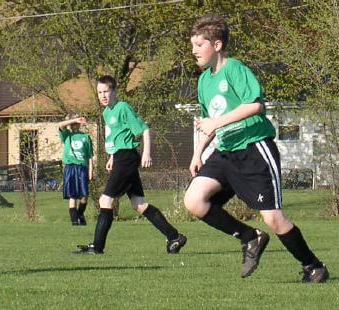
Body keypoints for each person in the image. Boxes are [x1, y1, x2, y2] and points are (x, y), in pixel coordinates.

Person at [184, 14, 329, 283]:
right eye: (191, 44)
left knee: (273, 219)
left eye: (198, 44)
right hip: (225, 152)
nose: (193, 50)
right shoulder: (204, 81)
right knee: (193, 200)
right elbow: (209, 123)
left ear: (216, 45)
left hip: (254, 150)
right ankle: (250, 237)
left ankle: (313, 266)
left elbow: (255, 106)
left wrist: (217, 122)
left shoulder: (236, 69)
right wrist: (198, 152)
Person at [75, 75, 187, 254]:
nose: (103, 95)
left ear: (114, 91)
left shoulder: (123, 108)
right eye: (100, 92)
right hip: (120, 157)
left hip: (127, 158)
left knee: (106, 200)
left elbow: (144, 129)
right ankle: (174, 236)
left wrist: (147, 153)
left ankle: (97, 246)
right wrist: (112, 157)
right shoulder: (106, 112)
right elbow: (117, 137)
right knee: (138, 204)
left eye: (106, 91)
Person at [57, 112, 94, 225]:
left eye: (77, 123)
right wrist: (73, 120)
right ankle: (74, 221)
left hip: (82, 168)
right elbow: (60, 125)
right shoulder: (67, 135)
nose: (74, 125)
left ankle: (80, 214)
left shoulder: (86, 137)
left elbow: (90, 156)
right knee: (72, 195)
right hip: (70, 168)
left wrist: (91, 171)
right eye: (73, 123)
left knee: (84, 196)